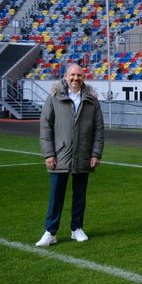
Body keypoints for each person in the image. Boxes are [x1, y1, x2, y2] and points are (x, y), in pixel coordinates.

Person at [36, 64, 104, 247]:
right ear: (65, 76)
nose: (76, 78)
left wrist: (96, 153)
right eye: (72, 75)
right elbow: (45, 127)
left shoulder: (92, 100)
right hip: (59, 155)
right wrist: (48, 153)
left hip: (83, 155)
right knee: (56, 195)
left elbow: (99, 130)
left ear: (84, 77)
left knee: (80, 195)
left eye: (79, 75)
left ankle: (77, 228)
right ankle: (50, 232)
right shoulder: (54, 97)